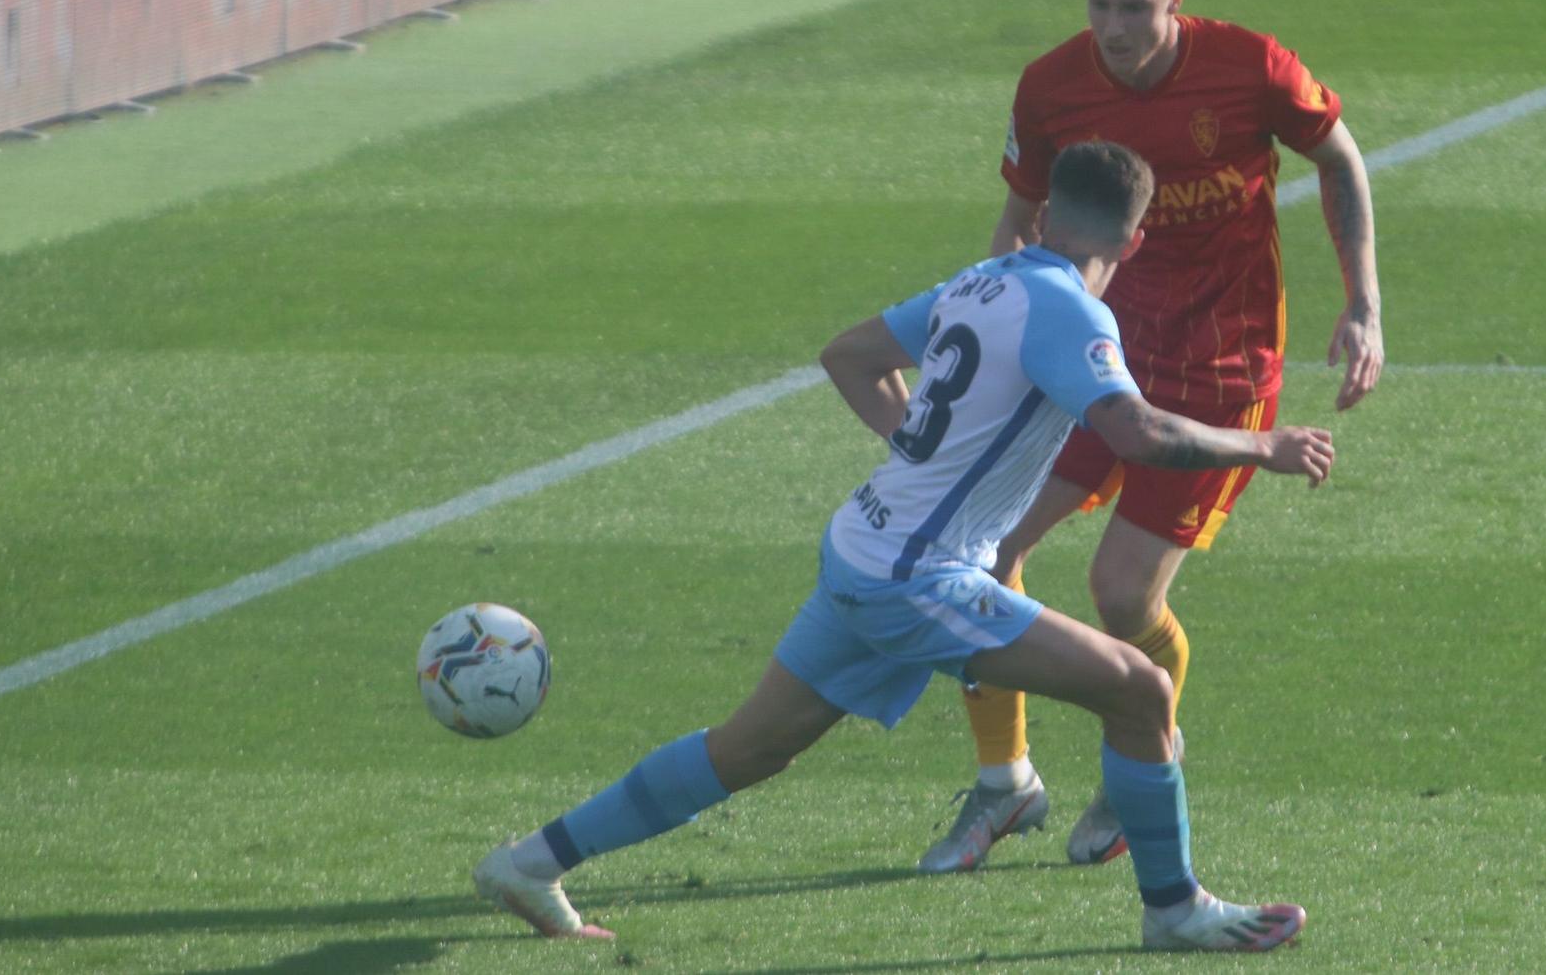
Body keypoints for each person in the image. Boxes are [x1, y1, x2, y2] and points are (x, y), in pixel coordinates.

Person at [472, 141, 1334, 953]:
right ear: (1135, 240)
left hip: (861, 547)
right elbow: (1137, 431)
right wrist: (1263, 444)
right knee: (1142, 690)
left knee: (748, 748)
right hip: (919, 577)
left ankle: (530, 862)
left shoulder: (982, 282)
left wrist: (914, 443)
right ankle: (1174, 908)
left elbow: (850, 355)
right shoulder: (1071, 310)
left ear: (1044, 216)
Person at [920, 0, 1382, 874]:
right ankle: (1005, 784)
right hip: (1091, 361)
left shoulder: (1246, 66)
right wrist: (993, 333)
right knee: (978, 554)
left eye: (1135, 5)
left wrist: (1361, 305)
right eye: (1098, 3)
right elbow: (1016, 219)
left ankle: (1146, 754)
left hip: (1219, 368)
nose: (1115, 27)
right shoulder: (1050, 86)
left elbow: (1334, 153)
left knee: (1118, 594)